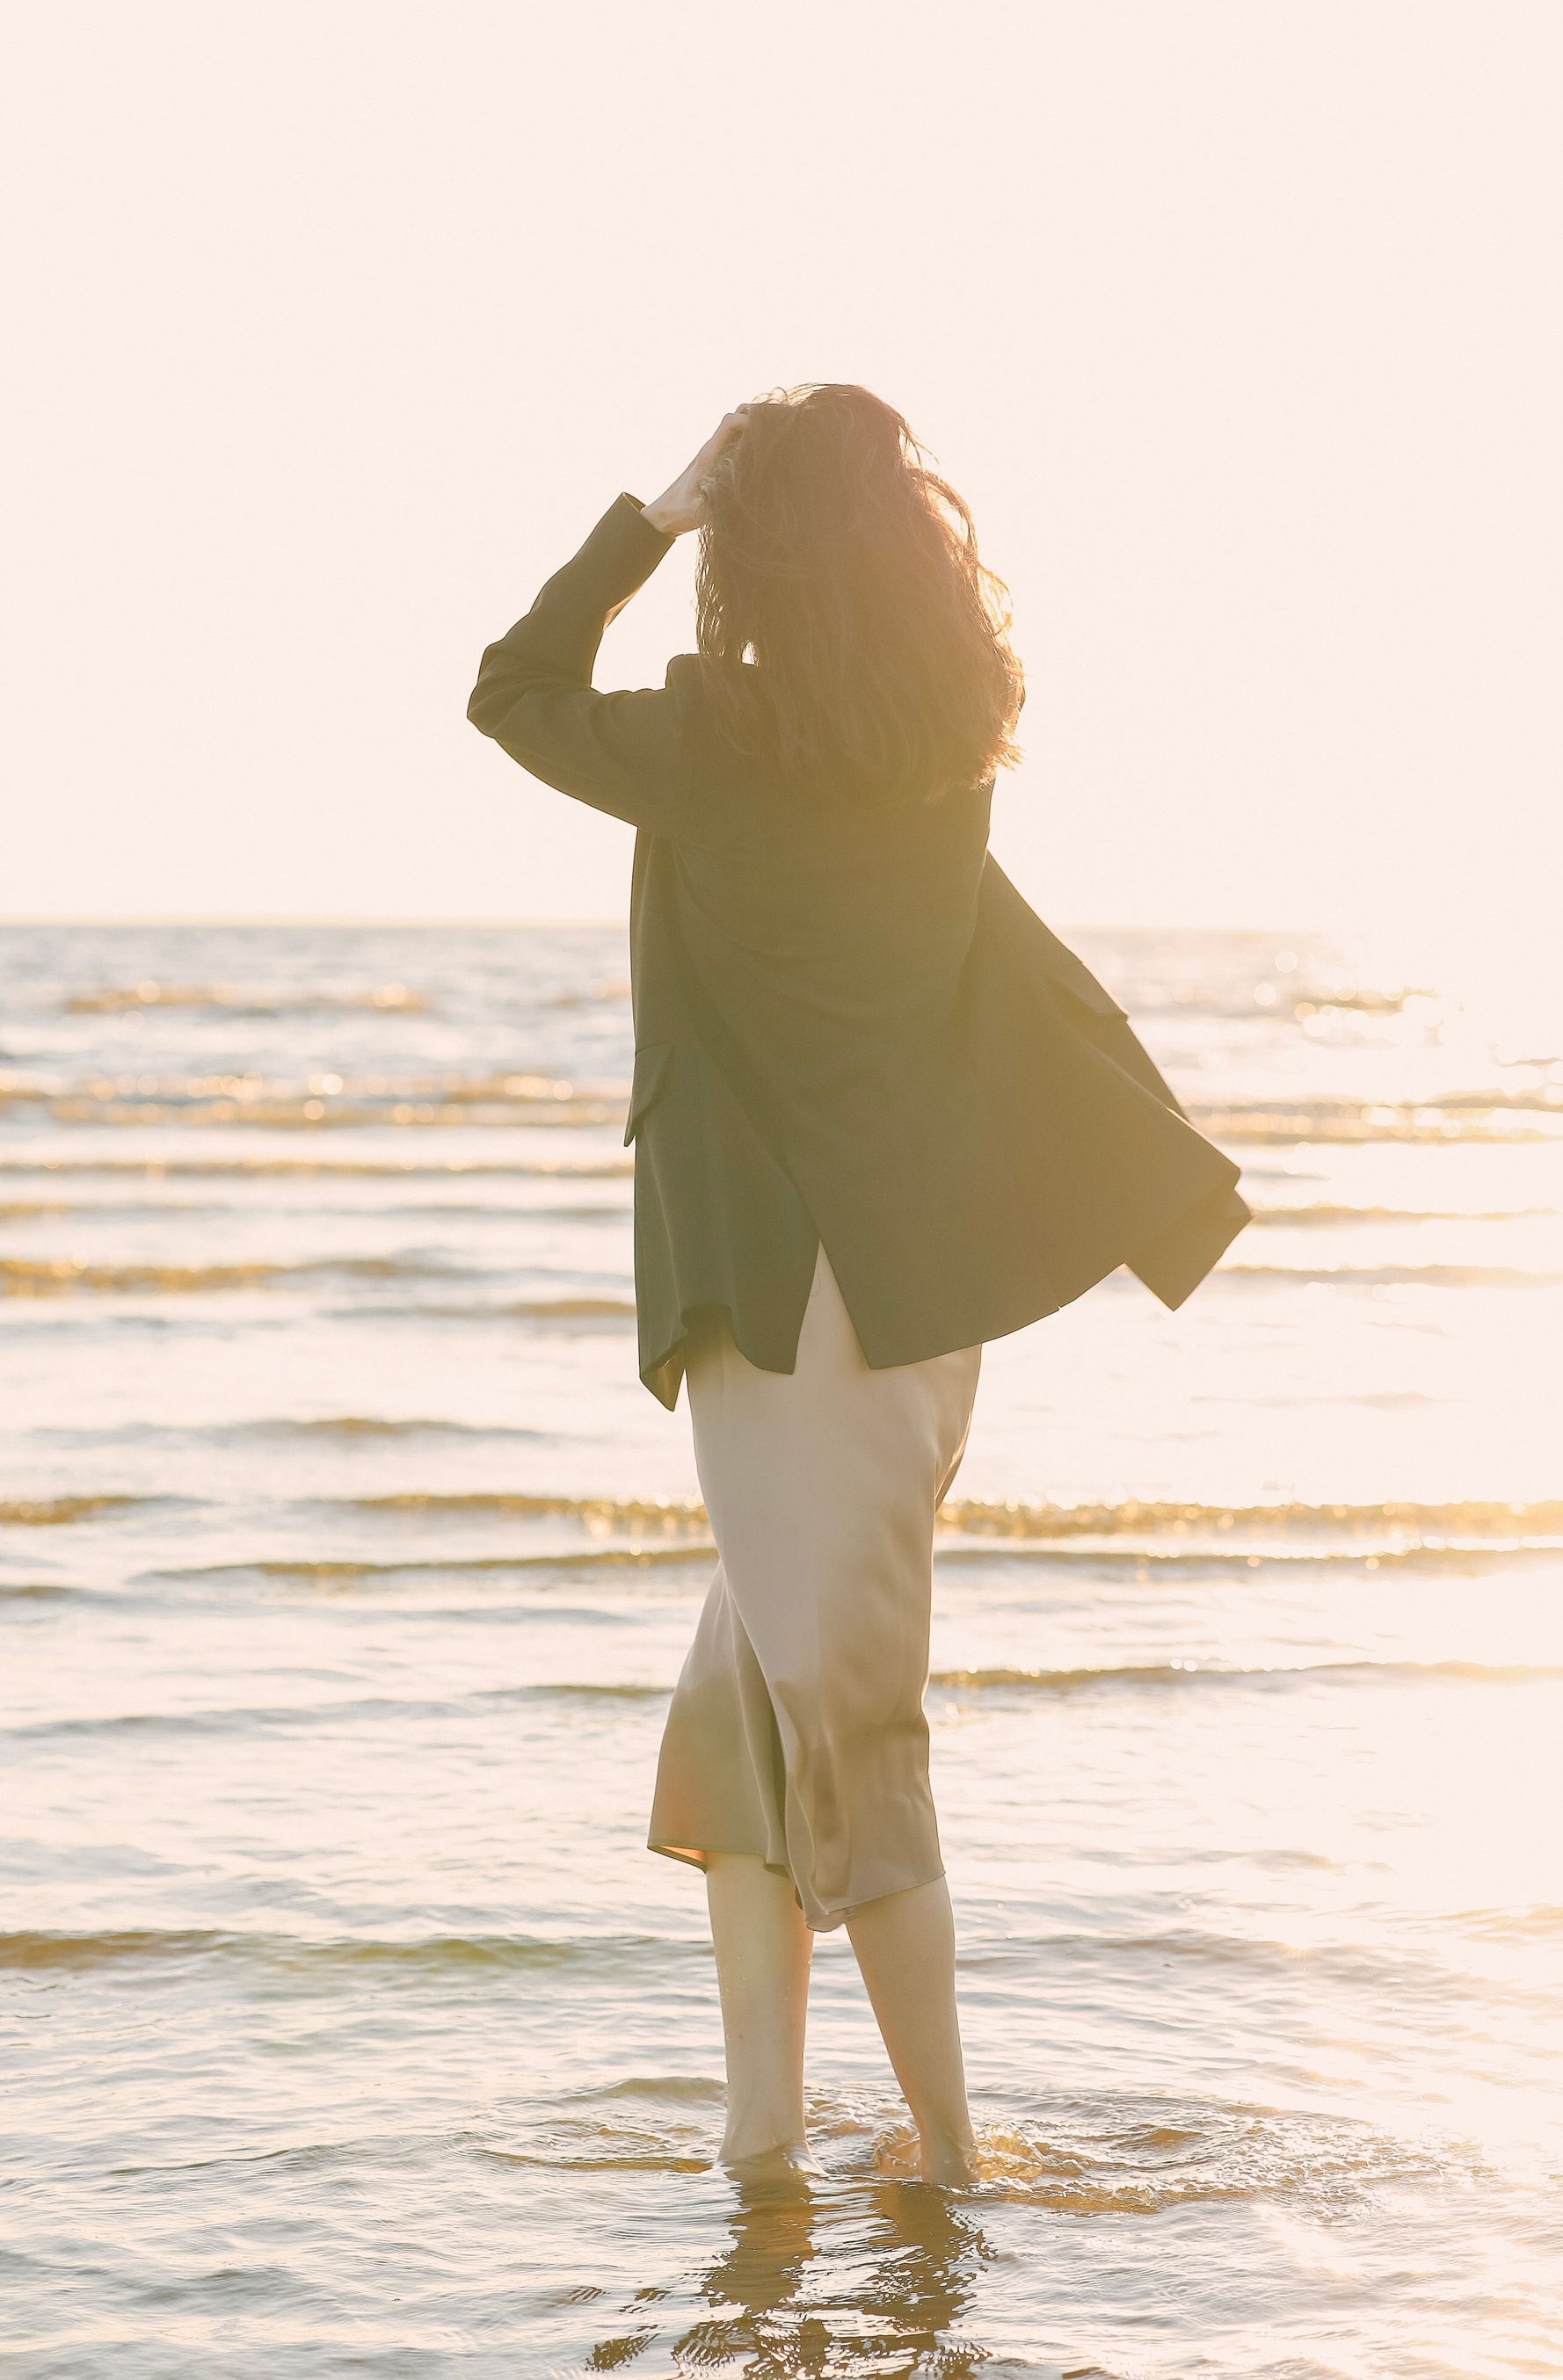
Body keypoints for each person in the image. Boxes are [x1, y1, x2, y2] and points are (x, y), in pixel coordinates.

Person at [468, 387, 1247, 2186]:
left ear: (751, 548)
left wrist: (644, 524)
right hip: (906, 1305)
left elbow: (512, 689)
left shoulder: (710, 735)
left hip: (777, 1300)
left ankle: (951, 2157)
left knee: (853, 1731)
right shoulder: (942, 747)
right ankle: (764, 2140)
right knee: (752, 1718)